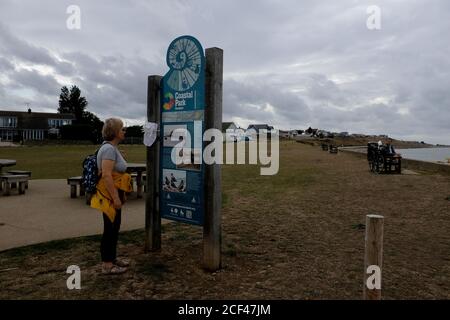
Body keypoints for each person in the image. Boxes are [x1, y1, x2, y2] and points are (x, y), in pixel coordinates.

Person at [90, 118, 132, 275]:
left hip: (113, 195)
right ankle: (107, 265)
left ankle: (112, 259)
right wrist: (115, 198)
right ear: (114, 132)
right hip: (109, 197)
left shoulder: (112, 148)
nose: (124, 131)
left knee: (114, 229)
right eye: (122, 129)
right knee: (109, 230)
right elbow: (107, 176)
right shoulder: (108, 150)